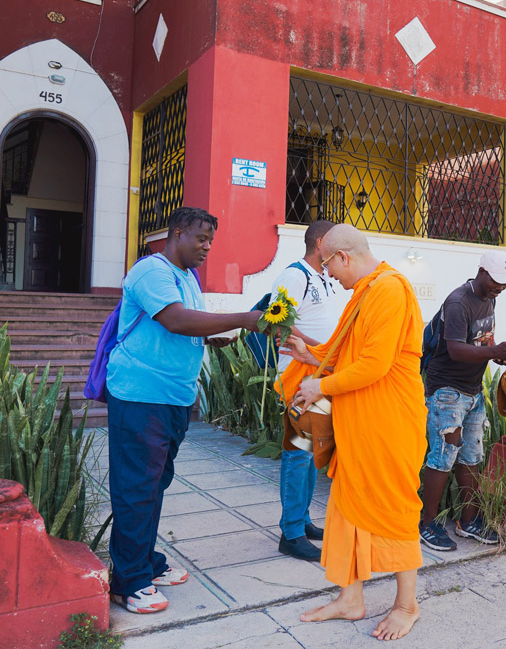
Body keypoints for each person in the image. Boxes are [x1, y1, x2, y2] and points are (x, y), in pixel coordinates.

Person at [105, 207, 262, 614]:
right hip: (141, 395)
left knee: (154, 485)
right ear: (176, 234)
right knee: (137, 487)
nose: (207, 247)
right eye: (201, 238)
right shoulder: (151, 272)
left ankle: (144, 563)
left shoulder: (187, 278)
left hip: (172, 397)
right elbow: (175, 320)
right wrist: (245, 319)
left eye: (211, 240)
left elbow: (183, 327)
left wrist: (211, 340)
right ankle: (128, 582)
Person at [281, 224, 427, 641]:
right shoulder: (365, 290)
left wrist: (319, 385)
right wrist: (313, 356)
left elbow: (375, 364)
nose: (329, 275)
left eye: (328, 265)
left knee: (395, 505)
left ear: (343, 256)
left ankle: (406, 604)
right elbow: (348, 351)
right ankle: (350, 598)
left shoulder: (389, 289)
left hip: (388, 423)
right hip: (359, 421)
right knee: (344, 508)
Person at [419, 252, 506, 551]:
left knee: (472, 456)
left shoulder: (489, 298)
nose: (500, 288)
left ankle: (469, 521)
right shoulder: (458, 302)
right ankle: (427, 524)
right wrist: (493, 352)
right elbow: (455, 350)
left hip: (473, 390)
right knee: (442, 456)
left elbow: (482, 340)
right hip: (447, 392)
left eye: (505, 283)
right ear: (480, 272)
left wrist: (498, 352)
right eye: (495, 281)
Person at [273, 220, 338, 561]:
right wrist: (322, 351)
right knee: (298, 451)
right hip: (300, 376)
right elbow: (278, 320)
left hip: (319, 376)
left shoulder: (323, 278)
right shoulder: (294, 275)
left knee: (312, 450)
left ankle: (303, 519)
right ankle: (291, 532)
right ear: (320, 242)